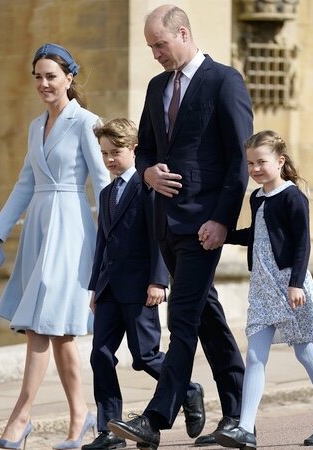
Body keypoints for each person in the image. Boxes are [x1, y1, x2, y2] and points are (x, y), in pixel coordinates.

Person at [107, 5, 250, 449]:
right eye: (150, 46)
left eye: (160, 45)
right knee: (207, 318)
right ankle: (239, 414)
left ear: (183, 33)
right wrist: (146, 174)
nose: (155, 54)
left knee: (182, 318)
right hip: (165, 226)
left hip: (205, 226)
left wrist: (223, 220)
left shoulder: (224, 81)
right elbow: (145, 149)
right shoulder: (155, 88)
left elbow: (238, 160)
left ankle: (155, 418)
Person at [0, 43, 110, 450]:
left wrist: (113, 240)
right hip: (38, 227)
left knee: (42, 326)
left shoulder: (87, 122)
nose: (43, 83)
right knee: (58, 332)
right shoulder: (36, 127)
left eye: (51, 75)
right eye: (37, 76)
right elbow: (25, 184)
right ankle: (79, 416)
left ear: (70, 77)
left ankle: (20, 419)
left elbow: (103, 183)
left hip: (71, 230)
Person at [214, 130, 313, 448]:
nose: (255, 169)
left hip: (289, 285)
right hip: (261, 286)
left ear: (280, 161)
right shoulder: (257, 197)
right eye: (250, 164)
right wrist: (223, 234)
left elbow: (302, 244)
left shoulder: (293, 196)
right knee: (255, 355)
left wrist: (296, 283)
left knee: (304, 351)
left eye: (262, 162)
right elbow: (257, 235)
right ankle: (245, 428)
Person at [84, 118, 203, 450]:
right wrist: (94, 286)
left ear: (134, 150)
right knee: (100, 356)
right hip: (108, 289)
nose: (109, 159)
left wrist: (158, 281)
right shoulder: (107, 193)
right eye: (104, 153)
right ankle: (109, 430)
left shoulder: (148, 188)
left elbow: (158, 238)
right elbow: (102, 244)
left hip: (140, 288)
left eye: (115, 152)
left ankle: (189, 389)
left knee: (146, 356)